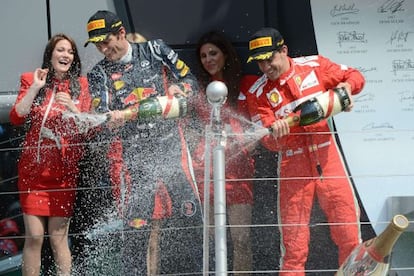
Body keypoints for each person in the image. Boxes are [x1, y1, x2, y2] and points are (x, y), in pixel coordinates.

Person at [82, 10, 203, 275]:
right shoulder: (99, 73)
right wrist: (108, 117)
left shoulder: (155, 49)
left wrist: (179, 89)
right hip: (134, 160)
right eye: (98, 44)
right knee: (136, 229)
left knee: (191, 218)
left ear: (121, 33)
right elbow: (100, 112)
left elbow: (190, 80)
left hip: (173, 149)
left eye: (106, 41)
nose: (103, 49)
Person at [246, 27, 364, 275]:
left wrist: (345, 90)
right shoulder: (258, 92)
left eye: (269, 58)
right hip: (292, 168)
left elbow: (355, 76)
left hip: (328, 158)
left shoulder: (314, 65)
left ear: (284, 50)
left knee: (350, 237)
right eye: (259, 62)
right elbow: (267, 140)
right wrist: (276, 134)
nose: (266, 67)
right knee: (294, 248)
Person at [9, 33, 91, 276]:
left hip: (64, 174)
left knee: (58, 239)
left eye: (70, 52)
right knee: (34, 237)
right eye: (60, 50)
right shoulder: (31, 79)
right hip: (34, 173)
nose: (65, 55)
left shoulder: (81, 85)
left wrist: (74, 108)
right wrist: (35, 87)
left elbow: (89, 128)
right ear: (51, 54)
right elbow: (17, 116)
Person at [191, 30, 257, 275]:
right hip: (206, 174)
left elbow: (258, 127)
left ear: (226, 54)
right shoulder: (199, 91)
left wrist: (243, 145)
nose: (208, 59)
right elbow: (192, 131)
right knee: (210, 239)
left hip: (239, 174)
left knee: (241, 239)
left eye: (213, 53)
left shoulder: (247, 83)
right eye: (204, 56)